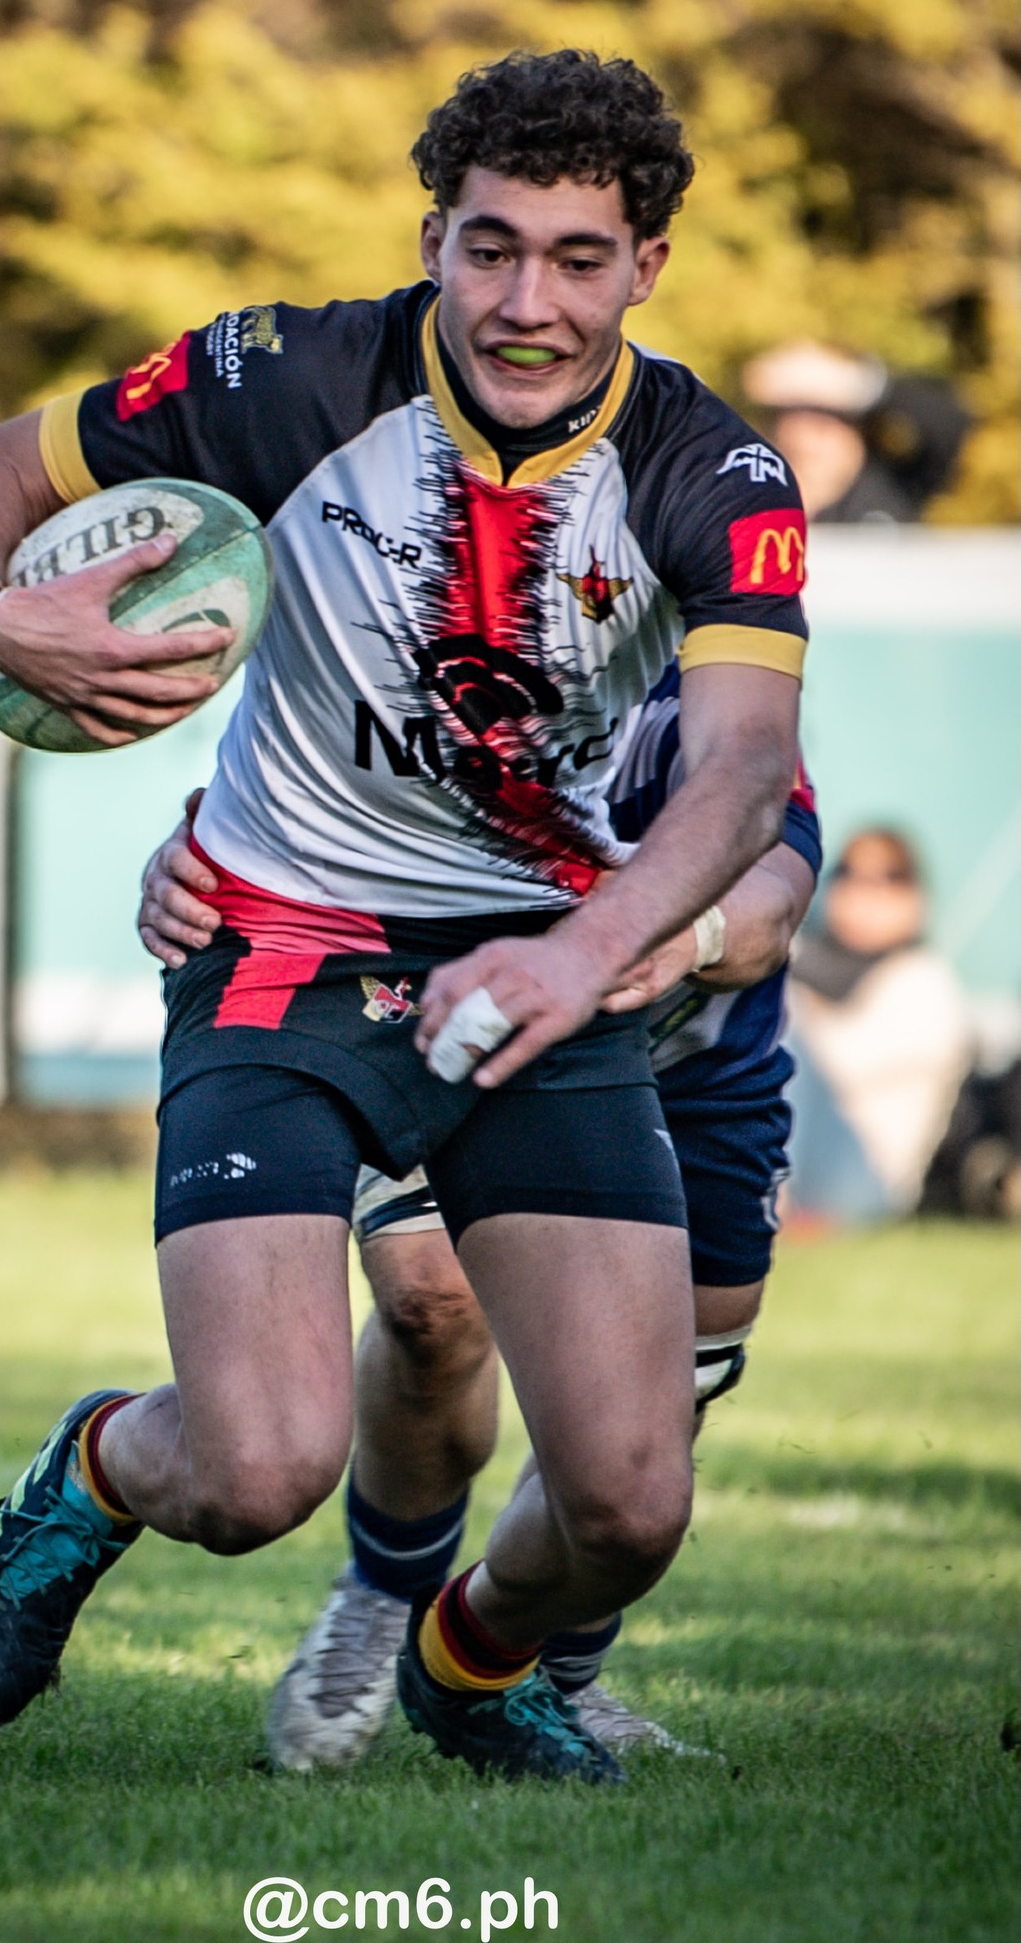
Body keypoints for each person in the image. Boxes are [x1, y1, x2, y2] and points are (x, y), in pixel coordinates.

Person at [0, 48, 808, 1785]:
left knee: (627, 1503)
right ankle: (98, 1466)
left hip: (530, 979)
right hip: (280, 948)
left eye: (574, 257)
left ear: (647, 268)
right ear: (433, 237)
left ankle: (470, 1670)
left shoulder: (721, 473)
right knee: (256, 1473)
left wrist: (582, 948)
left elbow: (749, 769)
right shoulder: (286, 372)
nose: (526, 300)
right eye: (489, 249)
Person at [135, 667, 821, 1766]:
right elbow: (276, 815)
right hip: (466, 1037)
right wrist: (186, 859)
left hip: (698, 1070)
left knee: (650, 1401)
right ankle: (381, 1591)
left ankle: (529, 1665)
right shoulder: (447, 650)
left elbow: (771, 907)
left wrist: (655, 940)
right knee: (428, 1302)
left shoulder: (710, 696)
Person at [786, 829, 973, 1219]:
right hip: (805, 1163)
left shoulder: (924, 981)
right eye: (848, 874)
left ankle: (763, 1203)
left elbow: (832, 1064)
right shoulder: (805, 964)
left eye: (890, 878)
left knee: (781, 1037)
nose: (864, 893)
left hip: (865, 1184)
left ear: (916, 897)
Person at [740, 341, 970, 524]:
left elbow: (952, 423)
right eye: (791, 413)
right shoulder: (748, 499)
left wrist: (862, 384)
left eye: (825, 417)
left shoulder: (892, 488)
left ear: (857, 425)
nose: (806, 437)